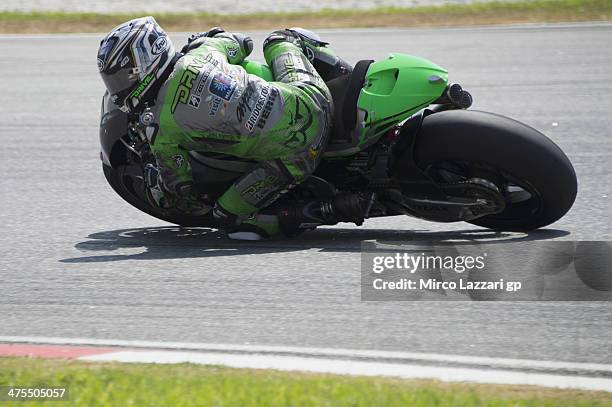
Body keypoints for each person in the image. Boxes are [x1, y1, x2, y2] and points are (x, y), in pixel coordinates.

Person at [97, 17, 357, 239]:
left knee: (226, 217)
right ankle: (346, 77)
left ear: (144, 65)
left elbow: (182, 191)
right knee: (280, 39)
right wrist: (211, 37)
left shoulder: (159, 127)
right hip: (311, 97)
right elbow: (243, 42)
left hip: (295, 158)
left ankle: (329, 210)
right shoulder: (203, 52)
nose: (118, 88)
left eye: (122, 77)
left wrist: (157, 187)